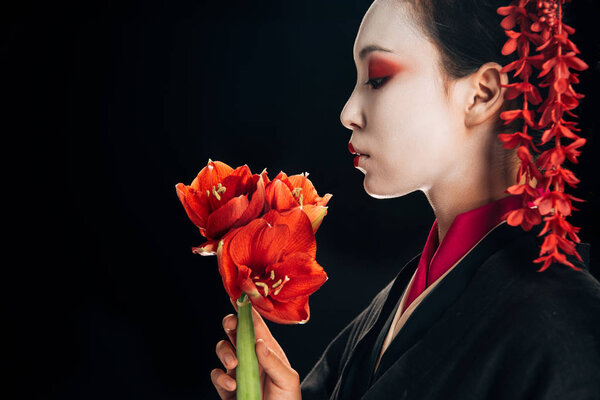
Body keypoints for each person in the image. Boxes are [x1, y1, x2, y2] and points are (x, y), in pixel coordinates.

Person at [210, 0, 600, 398]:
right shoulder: (394, 304)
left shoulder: (567, 323)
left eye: (377, 77)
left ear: (482, 94)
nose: (348, 112)